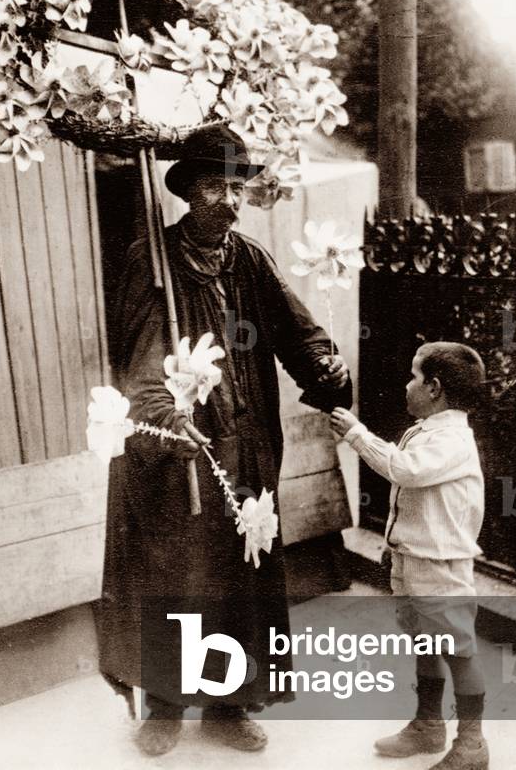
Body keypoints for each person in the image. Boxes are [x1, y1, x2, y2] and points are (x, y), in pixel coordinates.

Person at [98, 124, 351, 758]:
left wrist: (323, 366)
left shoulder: (249, 259)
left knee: (240, 575)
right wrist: (164, 418)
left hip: (246, 443)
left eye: (238, 188)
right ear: (189, 193)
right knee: (176, 572)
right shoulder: (150, 260)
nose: (231, 202)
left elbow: (296, 331)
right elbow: (139, 361)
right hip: (176, 450)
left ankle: (229, 702)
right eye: (216, 187)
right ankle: (162, 701)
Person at [330, 342, 488, 770]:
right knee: (425, 643)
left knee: (457, 650)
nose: (407, 384)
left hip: (440, 565)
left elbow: (405, 471)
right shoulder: (427, 430)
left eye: (414, 376)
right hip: (414, 559)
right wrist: (393, 545)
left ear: (434, 388)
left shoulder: (453, 440)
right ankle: (428, 724)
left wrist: (357, 434)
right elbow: (412, 503)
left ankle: (472, 743)